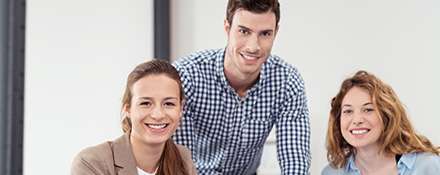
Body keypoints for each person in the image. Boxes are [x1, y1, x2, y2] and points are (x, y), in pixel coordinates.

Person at [172, 0, 310, 174]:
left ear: (276, 32)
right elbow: (181, 164)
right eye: (244, 31)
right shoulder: (187, 76)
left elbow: (295, 161)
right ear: (227, 28)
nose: (253, 46)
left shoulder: (287, 82)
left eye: (265, 34)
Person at [71, 60, 197, 175]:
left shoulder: (183, 159)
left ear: (181, 109)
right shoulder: (91, 163)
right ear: (128, 109)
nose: (158, 115)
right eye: (145, 103)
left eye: (169, 104)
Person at [322, 70, 440, 175]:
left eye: (368, 109)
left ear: (386, 115)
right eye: (348, 111)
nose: (357, 120)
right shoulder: (332, 172)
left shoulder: (427, 166)